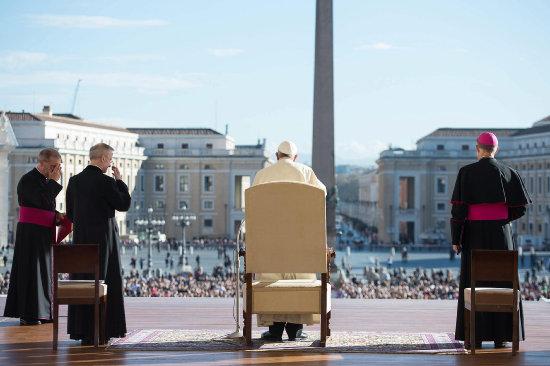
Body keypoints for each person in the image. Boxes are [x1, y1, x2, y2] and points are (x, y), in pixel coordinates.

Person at [450, 132, 531, 349]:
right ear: (497, 149)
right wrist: (502, 221)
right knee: (503, 281)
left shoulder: (466, 172)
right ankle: (501, 336)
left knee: (473, 281)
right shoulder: (510, 172)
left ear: (477, 149)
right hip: (502, 234)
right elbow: (520, 208)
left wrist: (456, 238)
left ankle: (473, 337)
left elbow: (458, 210)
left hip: (474, 234)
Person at [252, 140, 326, 342]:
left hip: (269, 241)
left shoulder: (262, 174)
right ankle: (295, 330)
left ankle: (274, 330)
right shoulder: (305, 171)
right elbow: (322, 194)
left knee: (271, 281)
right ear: (295, 157)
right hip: (299, 240)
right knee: (298, 280)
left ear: (277, 156)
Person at [65, 143, 131, 344]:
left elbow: (70, 214)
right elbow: (123, 204)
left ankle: (82, 330)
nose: (110, 164)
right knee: (105, 280)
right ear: (103, 158)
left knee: (83, 281)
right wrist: (120, 181)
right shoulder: (105, 182)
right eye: (110, 160)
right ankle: (104, 329)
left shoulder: (74, 181)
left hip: (82, 241)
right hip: (104, 242)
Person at [3, 148, 64, 326]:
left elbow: (46, 207)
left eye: (59, 167)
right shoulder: (27, 180)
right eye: (53, 166)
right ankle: (29, 313)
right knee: (32, 273)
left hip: (44, 234)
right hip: (30, 235)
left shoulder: (45, 181)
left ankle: (45, 312)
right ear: (42, 162)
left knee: (45, 274)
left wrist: (59, 216)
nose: (56, 171)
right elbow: (42, 201)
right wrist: (53, 182)